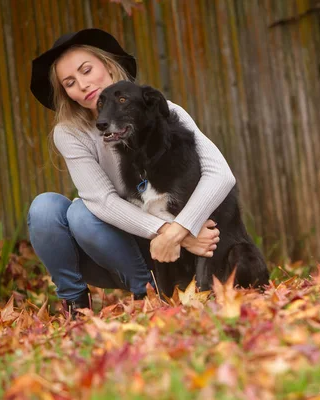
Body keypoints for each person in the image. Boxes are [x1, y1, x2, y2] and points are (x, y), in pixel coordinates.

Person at [27, 28, 235, 316]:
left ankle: (147, 292)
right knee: (46, 209)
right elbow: (102, 201)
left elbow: (220, 174)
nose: (83, 85)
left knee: (80, 216)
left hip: (164, 254)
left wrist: (181, 227)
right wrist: (177, 233)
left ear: (109, 67)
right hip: (112, 247)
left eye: (86, 70)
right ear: (67, 94)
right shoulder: (69, 133)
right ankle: (76, 304)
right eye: (70, 83)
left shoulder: (162, 110)